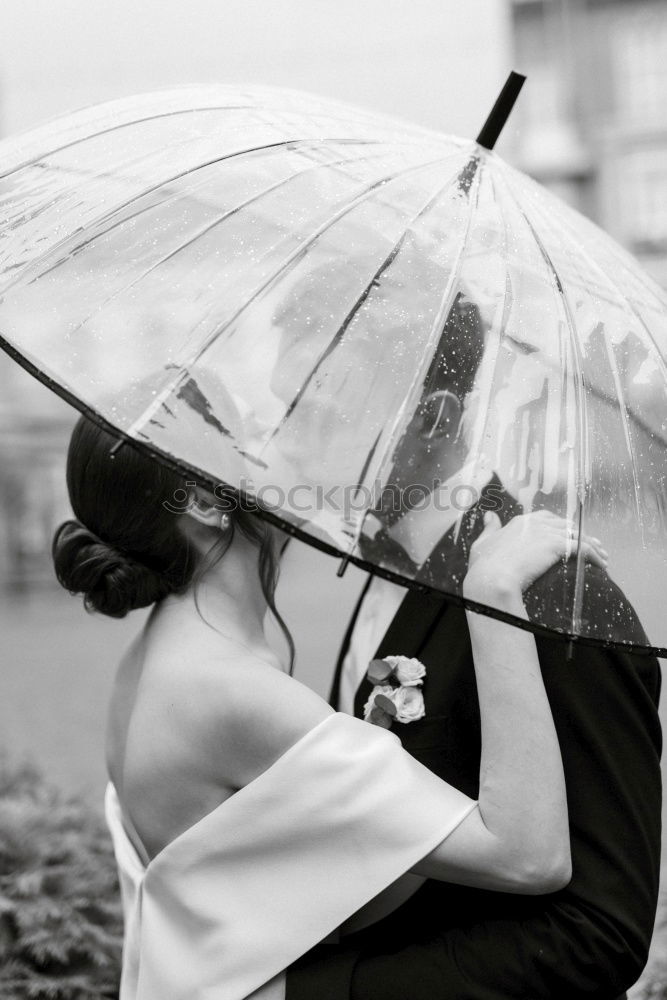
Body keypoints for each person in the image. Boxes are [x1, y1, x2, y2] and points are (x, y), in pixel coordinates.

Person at [51, 414, 609, 1000]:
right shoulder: (228, 691)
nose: (276, 428)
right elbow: (529, 857)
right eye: (235, 429)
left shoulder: (151, 662)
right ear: (203, 503)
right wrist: (493, 591)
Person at [287, 306, 663, 999]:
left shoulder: (556, 602)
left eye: (318, 400)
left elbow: (598, 934)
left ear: (429, 416)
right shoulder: (384, 556)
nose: (290, 434)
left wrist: (320, 991)